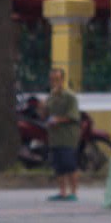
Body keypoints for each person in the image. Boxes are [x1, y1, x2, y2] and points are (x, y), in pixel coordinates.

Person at [43, 66, 82, 201]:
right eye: (52, 79)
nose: (54, 82)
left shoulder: (70, 97)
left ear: (63, 79)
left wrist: (57, 119)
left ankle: (74, 192)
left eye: (57, 79)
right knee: (58, 165)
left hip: (68, 137)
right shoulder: (51, 96)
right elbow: (45, 113)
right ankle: (62, 192)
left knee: (70, 164)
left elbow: (73, 116)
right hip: (54, 137)